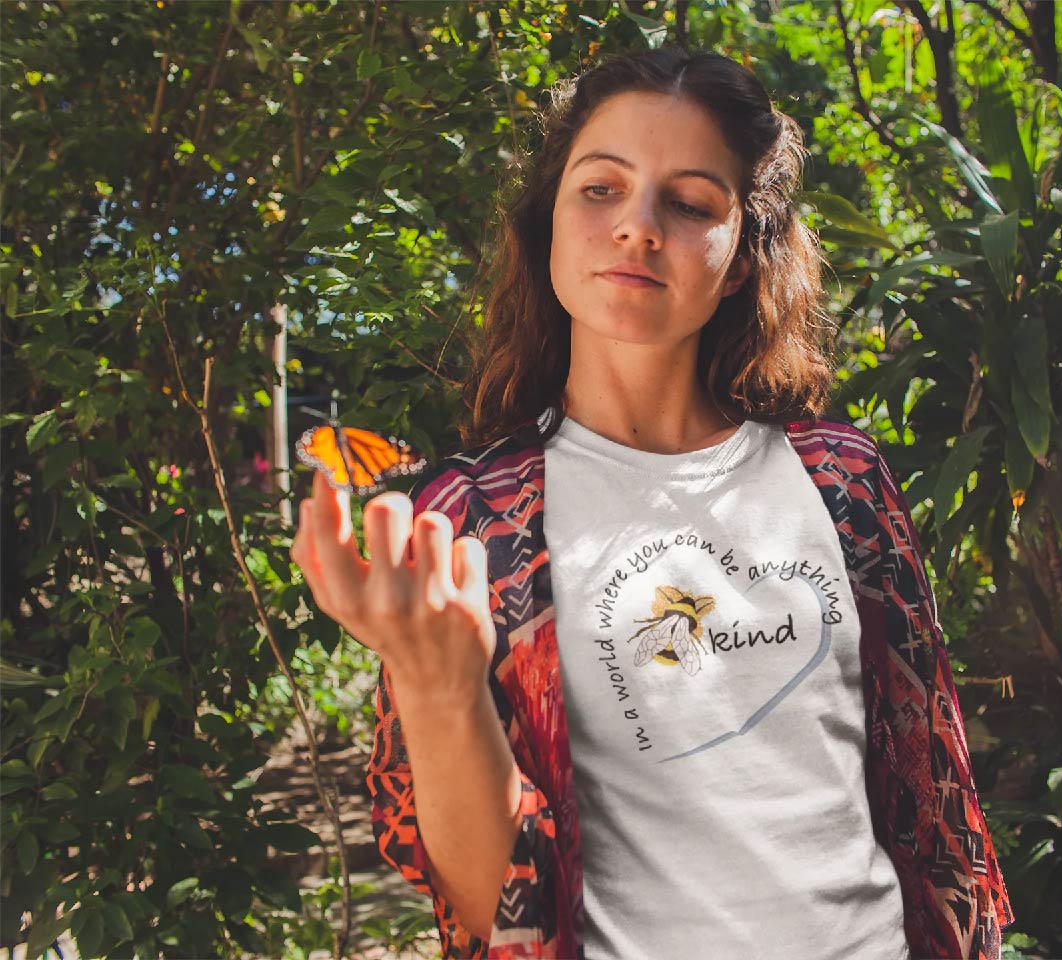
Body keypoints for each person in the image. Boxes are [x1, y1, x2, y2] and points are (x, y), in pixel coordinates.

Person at [290, 46, 1012, 960]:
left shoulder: (844, 478)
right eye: (601, 189)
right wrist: (437, 688)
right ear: (546, 224)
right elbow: (488, 911)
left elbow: (931, 793)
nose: (637, 227)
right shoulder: (473, 522)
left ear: (745, 254)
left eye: (690, 202)